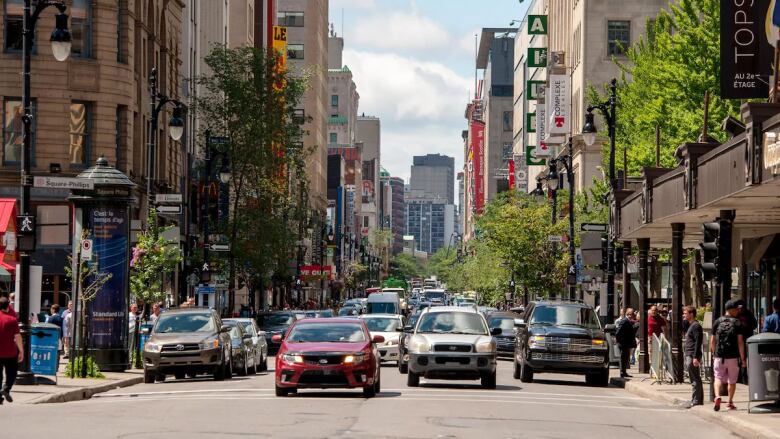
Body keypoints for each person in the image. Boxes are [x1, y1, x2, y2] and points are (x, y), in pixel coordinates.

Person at [710, 300, 746, 411]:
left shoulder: (717, 321)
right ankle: (729, 402)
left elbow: (712, 340)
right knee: (732, 380)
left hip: (719, 356)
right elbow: (740, 342)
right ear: (730, 310)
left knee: (718, 378)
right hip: (733, 357)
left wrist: (713, 354)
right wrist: (743, 359)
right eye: (736, 309)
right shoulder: (737, 323)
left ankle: (717, 396)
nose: (738, 311)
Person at [0, 297, 22, 404]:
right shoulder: (12, 320)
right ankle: (6, 388)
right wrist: (21, 351)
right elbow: (18, 337)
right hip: (10, 352)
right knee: (12, 373)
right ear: (8, 306)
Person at [683, 305, 704, 407]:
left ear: (691, 314)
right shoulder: (690, 325)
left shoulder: (696, 326)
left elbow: (697, 342)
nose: (684, 315)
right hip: (689, 354)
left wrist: (695, 357)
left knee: (695, 378)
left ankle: (696, 400)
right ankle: (697, 399)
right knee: (694, 378)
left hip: (692, 355)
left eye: (685, 313)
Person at [615, 308, 638, 378]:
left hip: (626, 343)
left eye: (633, 314)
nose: (632, 315)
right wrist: (620, 341)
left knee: (626, 358)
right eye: (631, 314)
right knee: (623, 358)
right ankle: (622, 372)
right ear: (627, 314)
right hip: (623, 343)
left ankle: (624, 372)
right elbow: (618, 332)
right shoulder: (624, 321)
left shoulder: (628, 321)